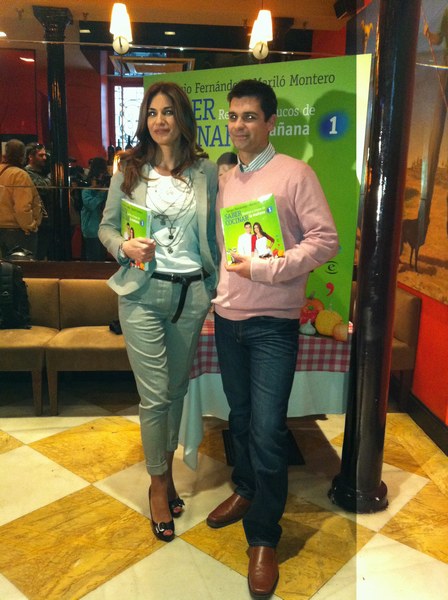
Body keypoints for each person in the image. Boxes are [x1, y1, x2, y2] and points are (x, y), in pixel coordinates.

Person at [206, 79, 339, 598]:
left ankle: (263, 536)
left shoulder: (295, 174)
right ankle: (245, 490)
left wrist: (268, 269)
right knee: (239, 419)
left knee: (266, 430)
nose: (238, 125)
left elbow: (325, 240)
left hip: (273, 326)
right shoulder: (227, 180)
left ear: (270, 123)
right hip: (228, 319)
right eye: (233, 116)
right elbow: (225, 250)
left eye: (249, 117)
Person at [98, 81, 218, 543]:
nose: (159, 120)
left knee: (176, 391)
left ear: (182, 118)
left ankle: (165, 474)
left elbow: (217, 234)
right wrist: (123, 247)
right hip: (142, 294)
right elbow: (107, 228)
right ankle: (158, 485)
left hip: (192, 296)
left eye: (168, 111)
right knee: (154, 398)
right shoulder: (130, 170)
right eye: (152, 112)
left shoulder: (206, 172)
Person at [0, 139, 43, 258]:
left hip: (2, 229)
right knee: (23, 266)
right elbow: (22, 208)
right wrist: (31, 226)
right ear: (22, 155)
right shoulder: (20, 175)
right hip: (17, 231)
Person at [25, 142, 52, 260]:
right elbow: (43, 188)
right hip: (37, 221)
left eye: (45, 155)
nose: (44, 158)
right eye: (40, 155)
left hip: (45, 220)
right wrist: (53, 174)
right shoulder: (26, 173)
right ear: (30, 157)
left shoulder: (41, 173)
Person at [81, 157, 109, 261]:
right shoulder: (87, 190)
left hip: (104, 229)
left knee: (102, 257)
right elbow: (91, 205)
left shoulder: (105, 189)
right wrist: (100, 192)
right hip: (92, 230)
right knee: (94, 259)